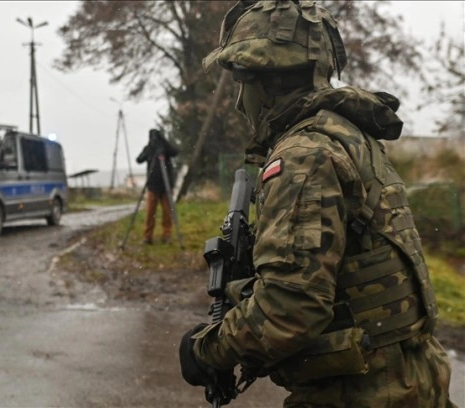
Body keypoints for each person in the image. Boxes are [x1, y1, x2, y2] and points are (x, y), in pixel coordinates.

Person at [178, 1, 456, 407]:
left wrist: (204, 351)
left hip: (362, 392)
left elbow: (291, 309)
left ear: (269, 81)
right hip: (407, 379)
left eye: (243, 83)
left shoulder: (303, 157)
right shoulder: (349, 136)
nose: (240, 102)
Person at [136, 128, 179, 244]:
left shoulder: (166, 148)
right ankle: (147, 236)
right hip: (153, 185)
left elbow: (175, 152)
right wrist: (150, 149)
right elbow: (139, 159)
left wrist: (163, 144)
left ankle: (167, 235)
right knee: (150, 212)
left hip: (166, 186)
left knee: (167, 212)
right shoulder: (149, 148)